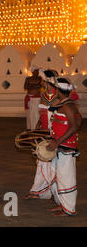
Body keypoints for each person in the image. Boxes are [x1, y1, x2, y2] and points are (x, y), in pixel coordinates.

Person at [44, 77, 82, 216]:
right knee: (59, 176)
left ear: (58, 90)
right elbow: (79, 119)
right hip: (60, 146)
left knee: (66, 178)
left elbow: (73, 127)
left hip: (65, 148)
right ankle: (63, 204)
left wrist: (57, 142)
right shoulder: (65, 104)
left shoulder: (68, 106)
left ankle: (69, 209)